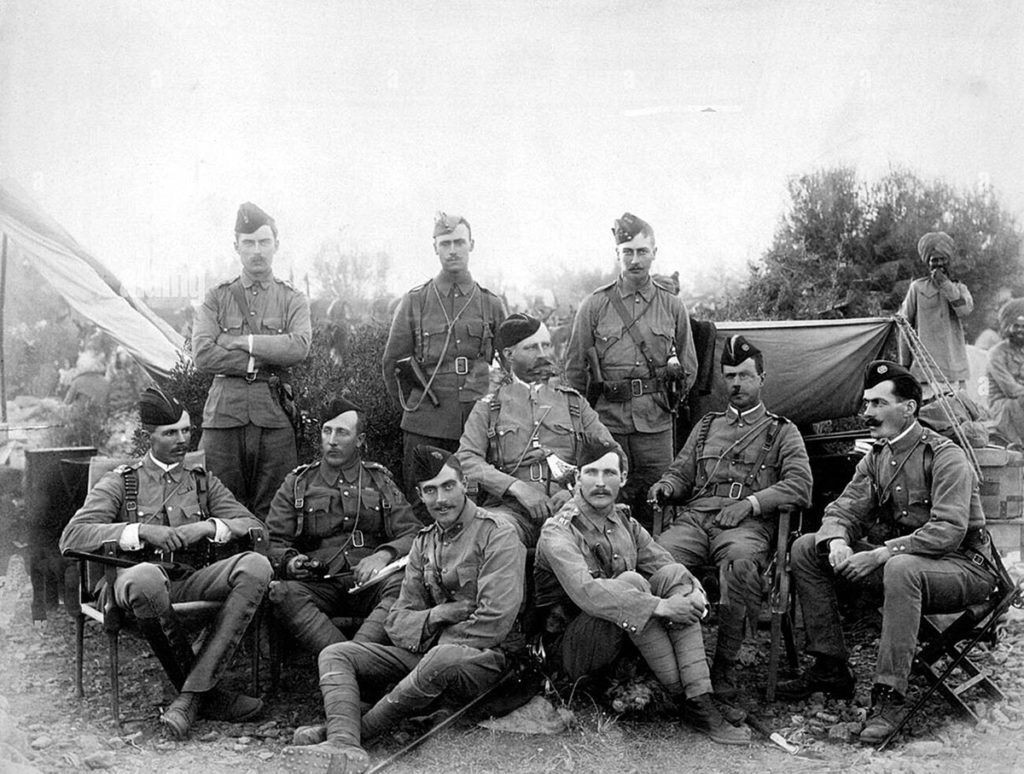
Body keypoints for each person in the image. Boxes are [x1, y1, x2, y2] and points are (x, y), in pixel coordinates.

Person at [776, 361, 1000, 744]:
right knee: (805, 547)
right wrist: (837, 541)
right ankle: (831, 667)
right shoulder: (877, 457)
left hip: (965, 568)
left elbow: (948, 531)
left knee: (900, 568)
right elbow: (843, 509)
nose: (868, 413)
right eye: (867, 404)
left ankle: (890, 696)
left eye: (878, 404)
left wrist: (881, 553)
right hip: (907, 563)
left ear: (908, 408)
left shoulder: (945, 456)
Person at [282, 446, 526, 773]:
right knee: (337, 654)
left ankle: (357, 733)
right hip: (427, 656)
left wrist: (430, 636)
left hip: (489, 661)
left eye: (448, 486)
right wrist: (438, 615)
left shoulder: (497, 534)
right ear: (419, 495)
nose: (441, 499)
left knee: (441, 659)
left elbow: (495, 621)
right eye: (430, 490)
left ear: (465, 484)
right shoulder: (424, 543)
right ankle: (342, 741)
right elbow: (397, 622)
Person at [58, 387, 273, 739]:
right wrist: (141, 531)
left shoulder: (202, 483)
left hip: (189, 579)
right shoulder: (122, 481)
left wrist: (207, 526)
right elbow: (72, 536)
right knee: (145, 577)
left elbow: (252, 526)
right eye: (170, 433)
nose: (182, 440)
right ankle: (210, 696)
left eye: (186, 431)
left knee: (255, 566)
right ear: (148, 436)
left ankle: (191, 696)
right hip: (130, 582)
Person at [534, 441, 750, 745]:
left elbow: (665, 562)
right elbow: (587, 593)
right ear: (576, 479)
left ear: (622, 479)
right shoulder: (558, 531)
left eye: (609, 473)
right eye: (590, 473)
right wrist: (661, 606)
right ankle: (685, 698)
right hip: (571, 650)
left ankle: (699, 697)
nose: (599, 482)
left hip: (625, 637)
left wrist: (693, 593)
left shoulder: (624, 522)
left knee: (674, 575)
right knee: (632, 582)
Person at [648, 336, 812, 698]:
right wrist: (666, 487)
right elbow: (680, 473)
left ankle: (724, 667)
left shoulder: (783, 431)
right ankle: (659, 665)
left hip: (746, 526)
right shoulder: (706, 426)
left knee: (740, 564)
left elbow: (801, 486)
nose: (736, 384)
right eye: (729, 376)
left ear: (762, 378)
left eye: (744, 375)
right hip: (695, 520)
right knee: (656, 561)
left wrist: (752, 503)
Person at [565, 212, 697, 530]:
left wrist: (669, 403)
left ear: (654, 253)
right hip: (606, 423)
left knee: (659, 504)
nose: (635, 260)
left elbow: (690, 368)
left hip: (656, 425)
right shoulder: (594, 306)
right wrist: (587, 421)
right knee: (604, 503)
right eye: (628, 252)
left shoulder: (672, 306)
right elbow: (573, 370)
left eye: (641, 251)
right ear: (617, 255)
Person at [266, 397, 422, 653]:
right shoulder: (298, 483)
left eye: (342, 432)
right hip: (320, 583)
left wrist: (383, 555)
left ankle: (349, 659)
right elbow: (272, 540)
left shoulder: (379, 480)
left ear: (359, 440)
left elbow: (413, 532)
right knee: (283, 593)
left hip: (370, 582)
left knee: (404, 585)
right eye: (327, 431)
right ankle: (353, 661)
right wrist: (292, 562)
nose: (332, 440)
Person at [457, 313, 624, 546]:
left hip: (574, 507)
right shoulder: (488, 406)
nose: (544, 354)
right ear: (509, 354)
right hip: (511, 511)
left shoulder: (574, 403)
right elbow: (466, 459)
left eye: (546, 345)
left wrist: (576, 493)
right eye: (532, 348)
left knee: (598, 538)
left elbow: (613, 453)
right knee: (496, 534)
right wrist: (517, 488)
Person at [192, 201, 312, 519]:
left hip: (273, 417)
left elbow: (298, 346)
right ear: (237, 247)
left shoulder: (292, 299)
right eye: (248, 243)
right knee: (217, 505)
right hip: (223, 417)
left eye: (263, 242)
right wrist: (254, 361)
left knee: (275, 508)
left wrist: (241, 342)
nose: (256, 251)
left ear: (276, 245)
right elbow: (202, 353)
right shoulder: (217, 298)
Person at [382, 212, 506, 499]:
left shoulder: (490, 303)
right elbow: (392, 364)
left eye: (459, 242)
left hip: (477, 423)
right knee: (423, 503)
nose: (453, 250)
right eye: (446, 243)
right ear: (435, 247)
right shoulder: (415, 302)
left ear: (471, 245)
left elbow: (508, 364)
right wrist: (412, 409)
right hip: (425, 423)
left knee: (479, 504)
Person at [898, 231, 974, 392]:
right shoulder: (917, 288)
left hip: (954, 370)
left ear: (949, 261)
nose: (939, 264)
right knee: (927, 413)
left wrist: (945, 283)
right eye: (934, 260)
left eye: (943, 259)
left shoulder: (960, 289)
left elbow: (964, 310)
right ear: (928, 263)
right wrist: (904, 365)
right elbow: (904, 326)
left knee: (958, 413)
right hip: (925, 370)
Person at [986, 298, 1024, 447]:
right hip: (1003, 407)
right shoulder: (996, 353)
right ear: (1007, 326)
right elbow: (1011, 390)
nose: (1021, 330)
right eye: (1016, 326)